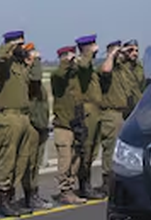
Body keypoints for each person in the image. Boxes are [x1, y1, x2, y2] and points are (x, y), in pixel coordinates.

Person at [0, 30, 36, 217]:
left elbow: (34, 78)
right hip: (8, 117)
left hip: (24, 117)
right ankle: (3, 201)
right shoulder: (5, 65)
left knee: (21, 160)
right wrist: (11, 45)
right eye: (19, 44)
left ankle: (11, 198)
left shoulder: (20, 65)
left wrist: (31, 59)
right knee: (8, 160)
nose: (22, 47)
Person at [49, 46, 83, 205]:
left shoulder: (74, 77)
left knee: (75, 160)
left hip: (75, 124)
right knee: (65, 160)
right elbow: (58, 74)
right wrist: (65, 62)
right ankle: (65, 191)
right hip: (63, 125)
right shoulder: (58, 76)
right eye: (69, 55)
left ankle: (70, 188)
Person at [95, 41, 129, 195]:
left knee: (121, 151)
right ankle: (107, 182)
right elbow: (106, 69)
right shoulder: (106, 68)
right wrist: (112, 54)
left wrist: (128, 52)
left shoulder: (122, 70)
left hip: (123, 113)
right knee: (111, 149)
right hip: (110, 114)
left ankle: (117, 181)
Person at [73, 34, 104, 200]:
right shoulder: (81, 62)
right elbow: (83, 65)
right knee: (86, 148)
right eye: (93, 45)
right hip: (87, 111)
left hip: (96, 110)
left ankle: (87, 184)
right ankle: (84, 185)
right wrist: (88, 53)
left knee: (93, 150)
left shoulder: (90, 64)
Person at [23, 44, 53, 210]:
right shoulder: (28, 75)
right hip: (32, 124)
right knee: (30, 162)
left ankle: (33, 193)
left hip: (39, 123)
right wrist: (36, 61)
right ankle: (29, 195)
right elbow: (35, 77)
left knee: (36, 163)